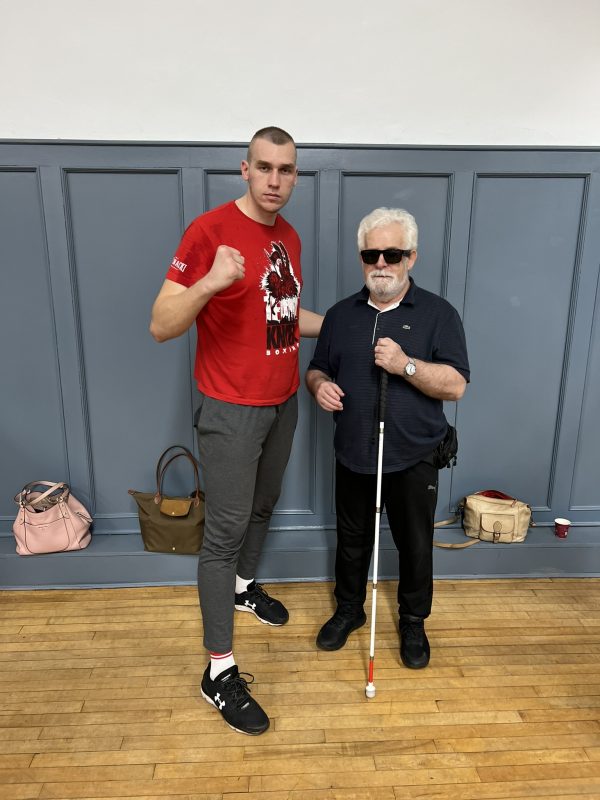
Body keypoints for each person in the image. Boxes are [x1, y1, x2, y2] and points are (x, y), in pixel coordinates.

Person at [150, 126, 322, 735]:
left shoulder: (289, 237)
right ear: (244, 169)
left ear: (295, 176)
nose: (275, 180)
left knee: (262, 507)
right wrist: (210, 282)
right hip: (230, 409)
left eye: (286, 170)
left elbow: (283, 315)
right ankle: (218, 671)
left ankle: (245, 589)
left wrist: (349, 324)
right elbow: (161, 324)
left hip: (281, 402)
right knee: (223, 535)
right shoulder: (209, 232)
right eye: (264, 167)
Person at [305, 207, 469, 670]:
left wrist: (405, 365)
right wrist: (319, 386)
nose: (381, 263)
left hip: (414, 454)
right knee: (351, 540)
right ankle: (349, 609)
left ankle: (413, 621)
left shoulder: (439, 314)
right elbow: (317, 368)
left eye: (392, 254)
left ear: (411, 257)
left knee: (415, 544)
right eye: (371, 254)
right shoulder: (340, 316)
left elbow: (456, 385)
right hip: (353, 452)